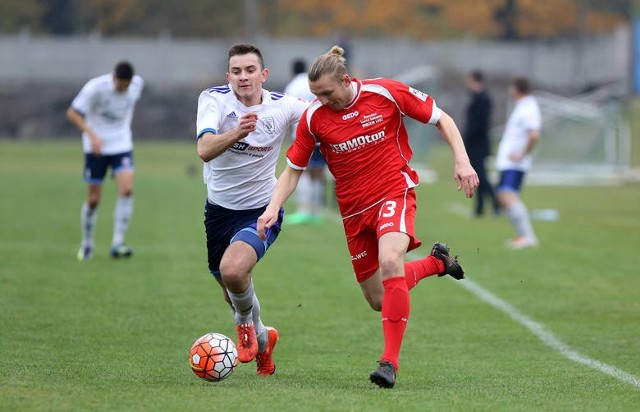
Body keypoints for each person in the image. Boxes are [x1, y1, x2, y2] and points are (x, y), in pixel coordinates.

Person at [257, 46, 479, 388]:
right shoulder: (314, 118)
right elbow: (292, 170)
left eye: (327, 92)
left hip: (394, 193)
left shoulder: (386, 92)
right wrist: (273, 207)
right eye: (316, 94)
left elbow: (442, 119)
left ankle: (389, 363)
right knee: (378, 299)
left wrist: (462, 161)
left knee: (390, 261)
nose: (321, 100)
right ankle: (437, 263)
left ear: (346, 80)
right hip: (353, 213)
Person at [195, 44, 309, 375]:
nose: (243, 77)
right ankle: (263, 339)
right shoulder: (214, 100)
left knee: (233, 271)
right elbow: (204, 149)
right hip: (218, 212)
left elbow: (322, 112)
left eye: (249, 70)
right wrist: (238, 131)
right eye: (236, 71)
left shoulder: (283, 106)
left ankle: (245, 328)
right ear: (228, 75)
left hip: (263, 209)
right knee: (232, 291)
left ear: (263, 74)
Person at [67, 61, 144, 261]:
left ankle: (118, 243)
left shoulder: (136, 85)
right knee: (93, 200)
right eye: (120, 84)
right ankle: (87, 244)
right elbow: (73, 113)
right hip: (96, 146)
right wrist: (91, 135)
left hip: (121, 144)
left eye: (126, 85)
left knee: (126, 189)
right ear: (113, 78)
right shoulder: (95, 88)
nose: (123, 88)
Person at [495, 77, 541, 249]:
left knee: (507, 195)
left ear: (517, 89)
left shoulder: (529, 107)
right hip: (508, 162)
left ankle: (528, 236)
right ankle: (523, 235)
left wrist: (522, 154)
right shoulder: (522, 106)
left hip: (514, 163)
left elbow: (534, 134)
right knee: (504, 196)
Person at [284, 58, 327, 225]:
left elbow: (288, 112)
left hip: (302, 134)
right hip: (321, 133)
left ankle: (303, 210)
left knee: (301, 171)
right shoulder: (313, 82)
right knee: (318, 173)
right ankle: (317, 212)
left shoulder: (292, 86)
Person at [464, 70, 500, 217]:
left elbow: (480, 124)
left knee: (482, 177)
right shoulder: (476, 97)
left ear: (475, 80)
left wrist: (468, 136)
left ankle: (497, 202)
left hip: (479, 144)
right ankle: (479, 208)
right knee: (476, 176)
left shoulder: (483, 99)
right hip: (474, 144)